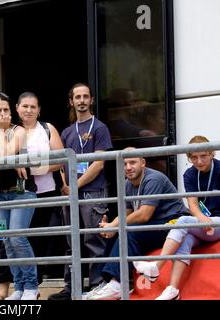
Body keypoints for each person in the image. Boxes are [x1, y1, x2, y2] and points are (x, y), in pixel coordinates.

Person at [85, 149, 189, 300]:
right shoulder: (128, 183)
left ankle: (118, 284)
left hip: (173, 223)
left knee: (129, 232)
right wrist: (112, 226)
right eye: (124, 163)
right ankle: (108, 282)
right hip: (155, 223)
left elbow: (144, 214)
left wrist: (115, 225)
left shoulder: (153, 179)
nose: (128, 167)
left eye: (132, 162)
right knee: (115, 234)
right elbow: (127, 212)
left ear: (143, 163)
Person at [133, 136, 220, 300]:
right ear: (189, 158)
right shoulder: (189, 174)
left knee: (182, 221)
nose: (199, 161)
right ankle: (173, 290)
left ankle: (156, 266)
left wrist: (206, 221)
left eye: (203, 156)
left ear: (211, 154)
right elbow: (193, 204)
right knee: (185, 239)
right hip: (203, 223)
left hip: (218, 223)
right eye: (194, 157)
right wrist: (201, 219)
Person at [49, 83, 113, 300]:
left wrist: (75, 186)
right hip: (70, 195)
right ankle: (71, 287)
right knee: (71, 242)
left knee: (94, 241)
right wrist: (66, 185)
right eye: (78, 97)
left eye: (86, 96)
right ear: (71, 101)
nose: (82, 100)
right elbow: (61, 164)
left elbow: (99, 163)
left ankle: (97, 286)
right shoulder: (67, 131)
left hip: (92, 193)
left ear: (91, 100)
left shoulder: (99, 128)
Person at [0, 92, 39, 300]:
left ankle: (32, 286)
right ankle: (19, 288)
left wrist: (3, 133)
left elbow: (6, 157)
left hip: (22, 191)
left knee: (18, 237)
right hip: (0, 194)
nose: (3, 114)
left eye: (6, 110)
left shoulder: (18, 130)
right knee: (7, 241)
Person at [15, 92, 65, 281]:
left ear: (39, 110)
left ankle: (42, 275)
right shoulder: (10, 130)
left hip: (46, 191)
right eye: (25, 106)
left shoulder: (47, 128)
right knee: (21, 235)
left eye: (33, 107)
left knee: (43, 233)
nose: (28, 110)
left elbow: (61, 159)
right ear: (17, 108)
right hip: (20, 192)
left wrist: (36, 168)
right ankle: (26, 278)